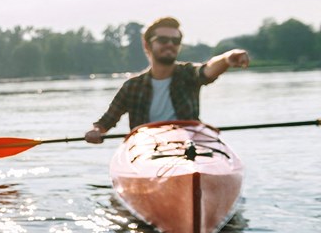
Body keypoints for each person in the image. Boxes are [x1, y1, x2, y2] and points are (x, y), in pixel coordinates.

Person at [84, 16, 250, 143]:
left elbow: (207, 70)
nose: (170, 44)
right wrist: (96, 131)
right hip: (147, 148)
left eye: (175, 41)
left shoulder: (188, 74)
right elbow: (105, 122)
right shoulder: (132, 86)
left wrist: (227, 59)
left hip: (188, 144)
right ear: (147, 45)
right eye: (163, 40)